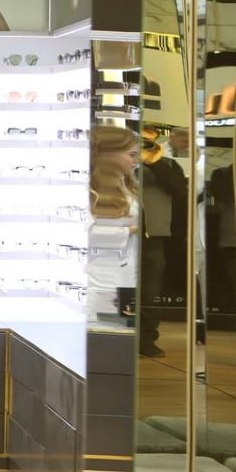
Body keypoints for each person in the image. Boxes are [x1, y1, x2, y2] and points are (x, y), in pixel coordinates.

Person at [137, 129, 188, 357]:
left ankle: (147, 339)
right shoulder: (117, 161)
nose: (144, 145)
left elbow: (179, 191)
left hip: (154, 238)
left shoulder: (168, 166)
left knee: (150, 293)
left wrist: (154, 162)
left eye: (148, 142)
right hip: (120, 236)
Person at [88, 126, 139, 323]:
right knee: (99, 327)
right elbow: (86, 234)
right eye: (131, 155)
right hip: (97, 275)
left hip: (124, 270)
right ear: (108, 156)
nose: (136, 161)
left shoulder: (127, 185)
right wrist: (130, 230)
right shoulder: (90, 191)